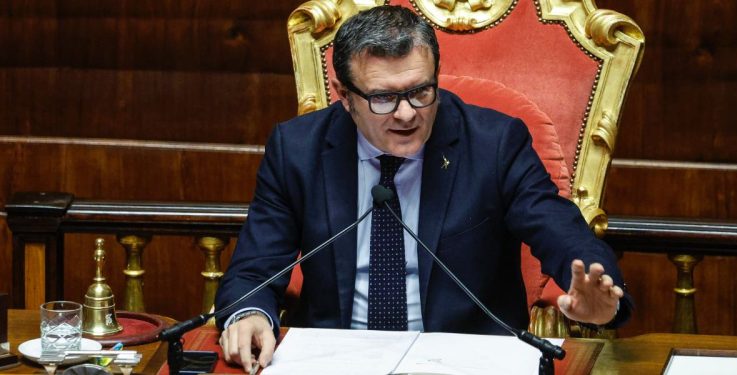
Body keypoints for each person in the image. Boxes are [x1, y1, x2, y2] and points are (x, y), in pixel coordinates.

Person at [215, 5, 631, 372]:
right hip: (338, 359)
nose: (406, 114)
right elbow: (254, 269)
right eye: (383, 98)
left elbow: (561, 231)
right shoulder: (298, 150)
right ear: (344, 96)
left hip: (467, 361)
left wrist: (601, 294)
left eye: (420, 92)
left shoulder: (494, 144)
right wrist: (249, 314)